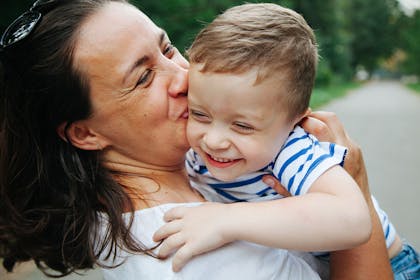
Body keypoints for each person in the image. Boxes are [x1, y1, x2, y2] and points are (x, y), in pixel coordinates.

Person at [0, 0, 393, 279]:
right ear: (85, 132)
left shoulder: (193, 164)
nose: (183, 77)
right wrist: (355, 181)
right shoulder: (181, 252)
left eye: (168, 47)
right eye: (143, 77)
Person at [153, 3, 419, 279]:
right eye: (199, 114)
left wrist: (225, 219)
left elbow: (354, 219)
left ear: (294, 122)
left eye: (242, 126)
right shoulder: (198, 147)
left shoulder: (291, 150)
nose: (214, 140)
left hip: (394, 266)